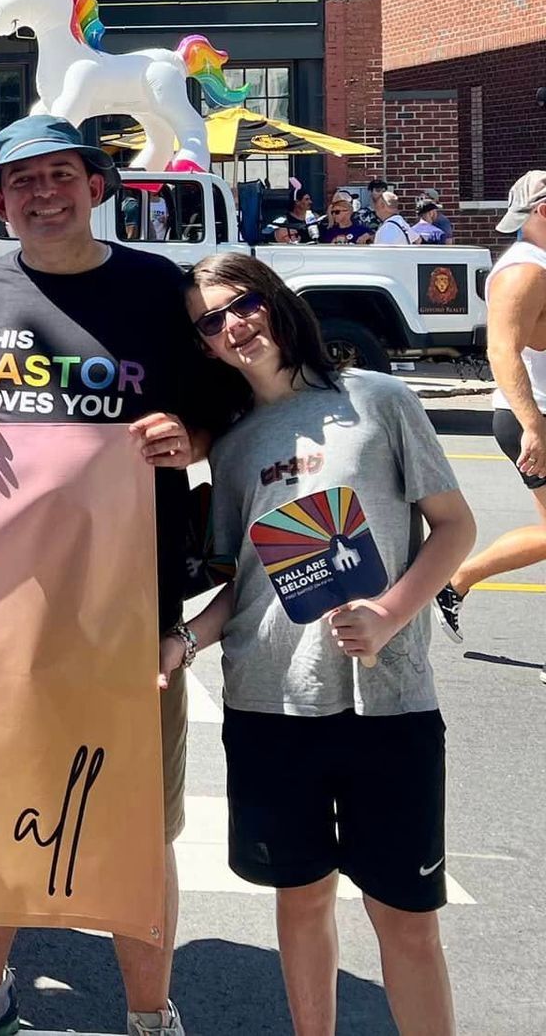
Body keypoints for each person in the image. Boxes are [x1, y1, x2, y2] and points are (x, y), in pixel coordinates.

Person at [0, 116, 215, 1036]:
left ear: (97, 185)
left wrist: (184, 437)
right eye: (21, 182)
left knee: (136, 824)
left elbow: (217, 413)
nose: (43, 193)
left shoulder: (161, 290)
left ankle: (152, 1011)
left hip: (126, 605)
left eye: (60, 175)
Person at [177, 252, 472, 1036]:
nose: (233, 327)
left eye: (242, 305)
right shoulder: (233, 449)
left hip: (390, 702)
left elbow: (454, 525)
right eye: (211, 322)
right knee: (301, 900)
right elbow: (244, 580)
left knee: (405, 917)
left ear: (273, 302)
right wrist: (186, 639)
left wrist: (390, 611)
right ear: (203, 345)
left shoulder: (377, 399)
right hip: (271, 704)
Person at [439, 171, 546, 662]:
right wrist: (532, 426)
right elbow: (502, 352)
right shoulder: (524, 271)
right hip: (535, 415)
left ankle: (456, 580)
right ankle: (456, 579)